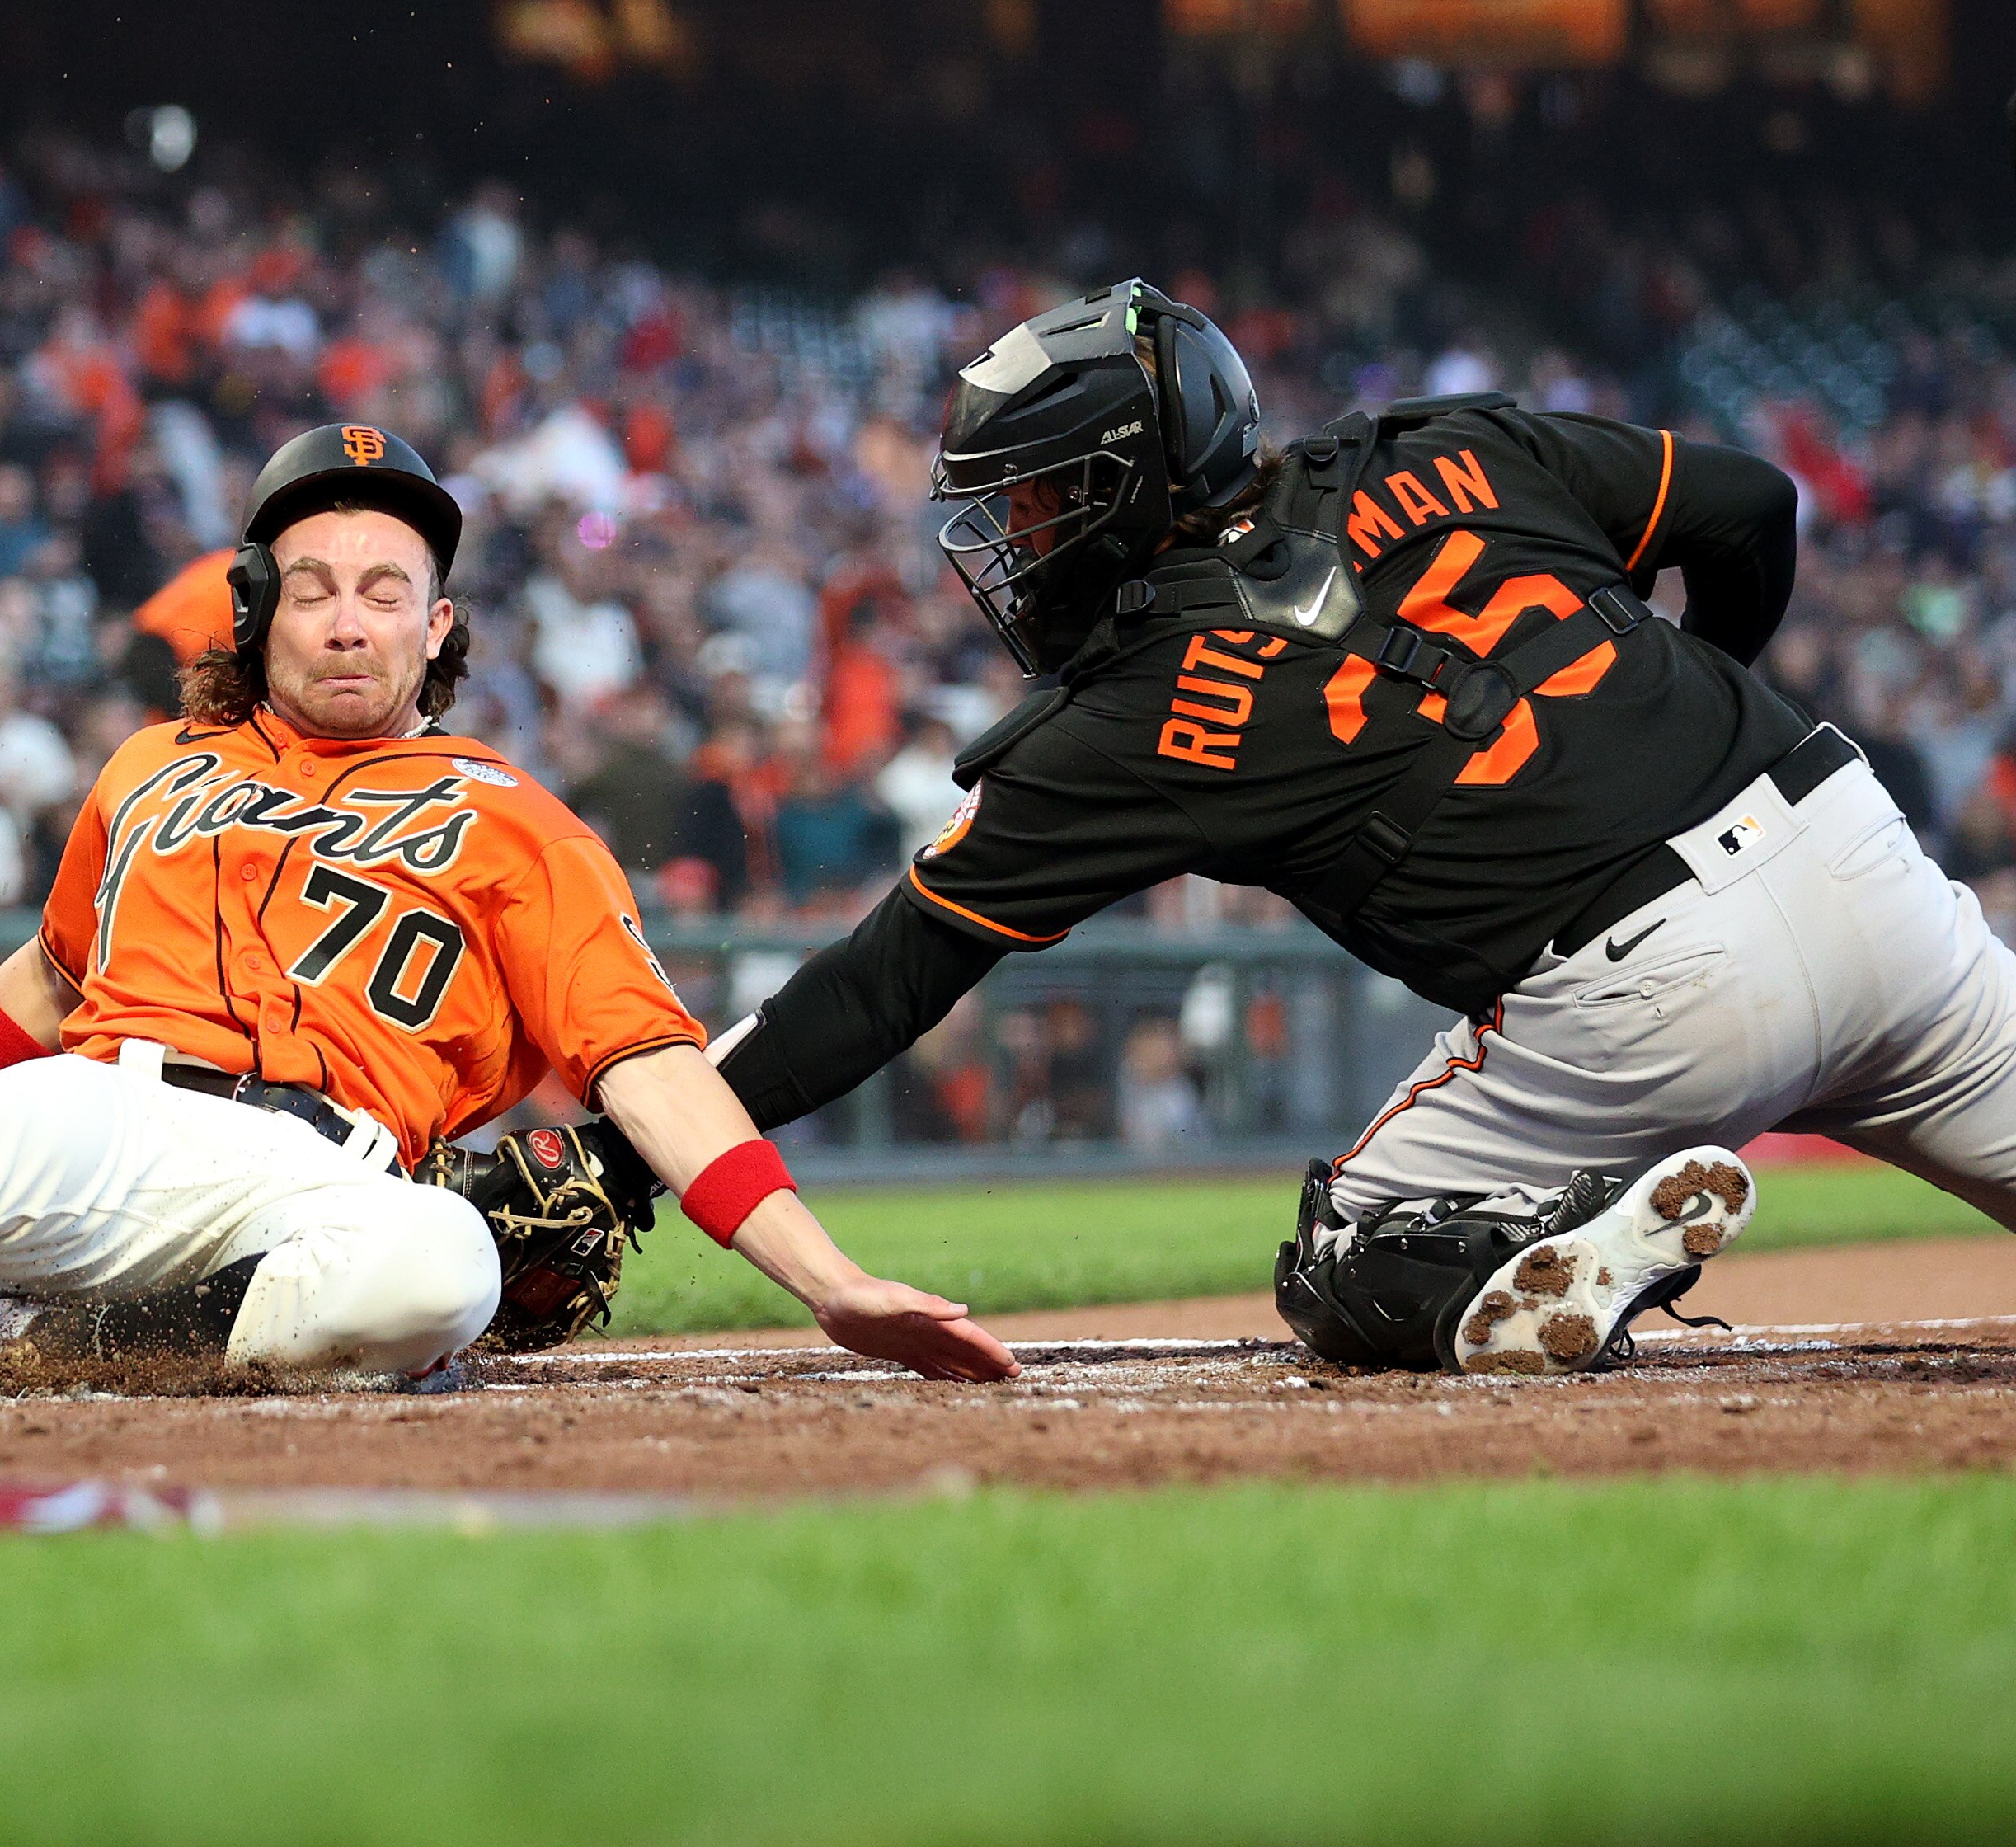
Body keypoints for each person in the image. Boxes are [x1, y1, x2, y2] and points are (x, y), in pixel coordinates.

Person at [0, 425, 1016, 1390]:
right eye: (312, 587)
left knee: (450, 1266)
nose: (348, 616)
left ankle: (41, 1360)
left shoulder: (515, 822)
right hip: (108, 1123)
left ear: (438, 629)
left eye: (385, 587)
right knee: (2, 1123)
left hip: (325, 1185)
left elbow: (650, 1063)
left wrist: (826, 1282)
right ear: (257, 610)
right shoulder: (154, 766)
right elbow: (35, 993)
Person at [710, 276, 2016, 1378]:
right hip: (1860, 865)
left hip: (1651, 1003)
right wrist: (1681, 718)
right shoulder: (1446, 444)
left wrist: (647, 1146)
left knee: (1347, 1262)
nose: (1018, 538)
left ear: (1136, 487)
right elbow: (1749, 507)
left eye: (1044, 500)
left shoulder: (1129, 715)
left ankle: (1540, 1248)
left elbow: (883, 983)